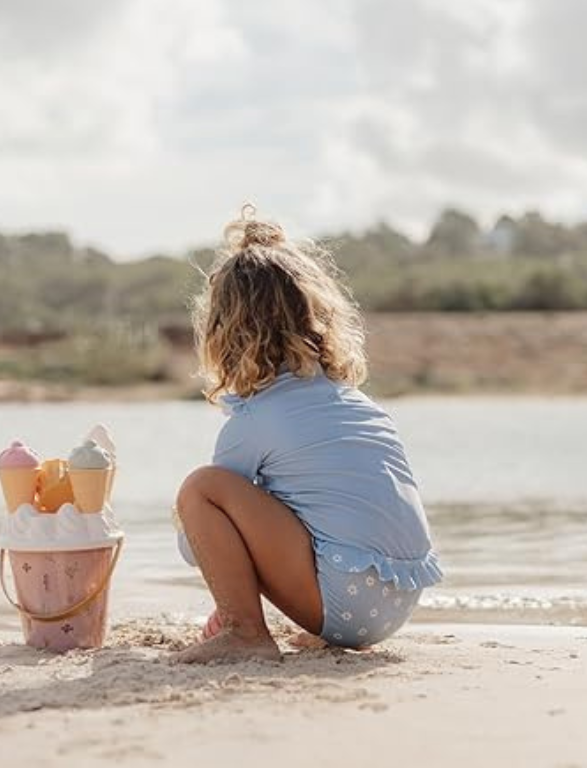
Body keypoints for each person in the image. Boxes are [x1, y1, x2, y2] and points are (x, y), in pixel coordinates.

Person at [174, 204, 442, 663]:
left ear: (226, 332)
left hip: (348, 602)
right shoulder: (357, 404)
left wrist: (211, 554)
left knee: (201, 490)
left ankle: (244, 632)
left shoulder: (254, 419)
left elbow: (195, 546)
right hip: (399, 601)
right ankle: (304, 626)